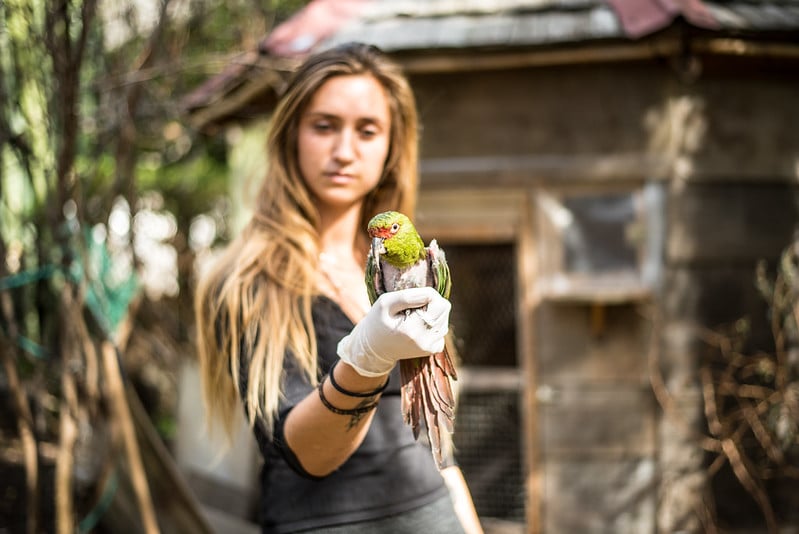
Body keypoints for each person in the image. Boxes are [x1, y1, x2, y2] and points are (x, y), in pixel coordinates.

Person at [194, 42, 483, 534]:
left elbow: (438, 446)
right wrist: (366, 359)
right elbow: (308, 453)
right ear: (291, 137)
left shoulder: (409, 268)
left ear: (392, 147)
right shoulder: (245, 279)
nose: (344, 151)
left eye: (367, 130)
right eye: (324, 125)